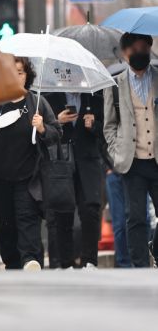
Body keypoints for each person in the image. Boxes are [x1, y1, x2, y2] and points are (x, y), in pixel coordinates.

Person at [0, 57, 61, 270]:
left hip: (28, 179)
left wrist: (42, 129)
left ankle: (31, 261)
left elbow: (57, 133)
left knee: (28, 221)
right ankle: (12, 266)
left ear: (27, 76)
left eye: (20, 72)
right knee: (5, 227)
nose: (16, 76)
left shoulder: (37, 103)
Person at [104, 33, 158, 268]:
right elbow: (109, 126)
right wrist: (117, 152)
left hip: (156, 158)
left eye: (145, 48)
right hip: (132, 162)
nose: (141, 53)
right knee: (135, 218)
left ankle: (154, 248)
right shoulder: (115, 85)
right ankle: (140, 268)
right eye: (136, 49)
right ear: (126, 53)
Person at [46, 90, 106, 269]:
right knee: (62, 212)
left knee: (91, 210)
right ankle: (66, 263)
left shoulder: (95, 96)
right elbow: (44, 130)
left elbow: (107, 129)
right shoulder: (50, 98)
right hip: (61, 160)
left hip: (88, 162)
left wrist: (93, 125)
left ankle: (90, 261)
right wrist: (58, 121)